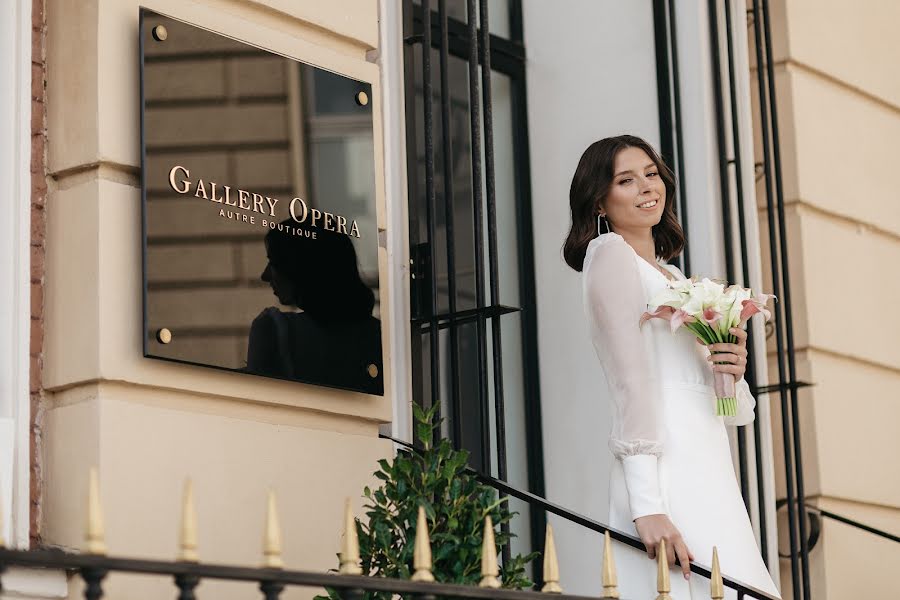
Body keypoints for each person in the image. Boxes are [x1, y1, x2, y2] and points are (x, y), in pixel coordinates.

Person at [562, 135, 780, 598]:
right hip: (666, 474)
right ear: (600, 200)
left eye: (651, 174)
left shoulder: (676, 279)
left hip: (709, 465)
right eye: (626, 179)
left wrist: (730, 371)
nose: (646, 187)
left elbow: (730, 411)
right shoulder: (610, 255)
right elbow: (630, 383)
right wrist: (647, 505)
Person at [246, 220, 383, 395]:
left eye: (274, 263)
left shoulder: (272, 330)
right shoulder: (378, 336)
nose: (265, 276)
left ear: (299, 266)